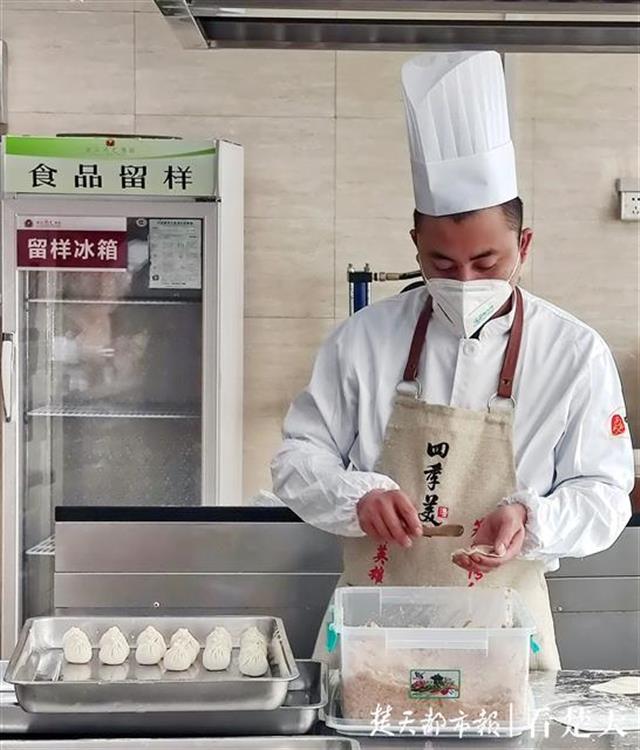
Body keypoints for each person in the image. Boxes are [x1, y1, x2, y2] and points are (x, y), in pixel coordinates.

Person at [271, 51, 634, 670]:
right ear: (416, 245)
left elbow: (605, 494)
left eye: (486, 263)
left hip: (504, 639)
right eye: (442, 264)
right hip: (373, 634)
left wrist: (532, 518)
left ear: (523, 245)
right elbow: (296, 461)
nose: (464, 281)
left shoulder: (574, 353)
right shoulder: (363, 340)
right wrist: (356, 496)